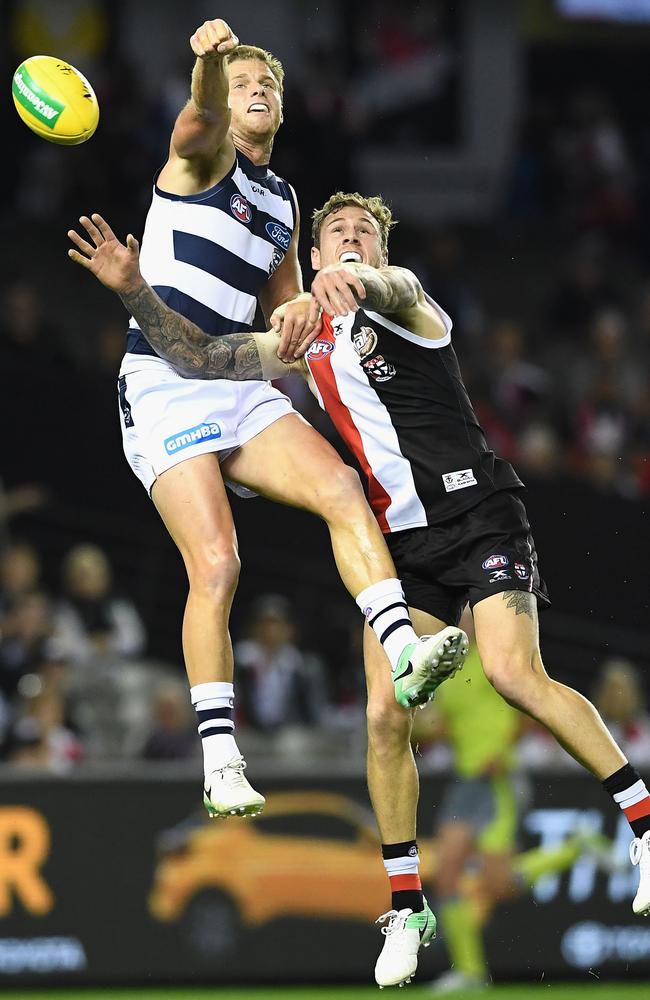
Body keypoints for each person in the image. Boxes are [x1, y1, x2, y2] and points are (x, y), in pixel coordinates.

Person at [65, 191, 650, 989]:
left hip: (477, 514)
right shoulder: (300, 339)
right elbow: (199, 359)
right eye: (334, 233)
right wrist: (133, 290)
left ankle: (642, 820)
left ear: (380, 250)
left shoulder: (409, 304)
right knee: (383, 714)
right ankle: (407, 908)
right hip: (397, 543)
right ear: (305, 258)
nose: (349, 240)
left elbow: (395, 288)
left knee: (515, 675)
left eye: (364, 234)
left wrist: (363, 279)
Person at [67, 21, 468, 822]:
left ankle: (403, 654)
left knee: (341, 488)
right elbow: (195, 122)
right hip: (164, 382)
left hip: (237, 378)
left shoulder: (282, 199)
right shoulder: (201, 152)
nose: (257, 90)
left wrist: (290, 316)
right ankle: (219, 758)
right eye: (245, 81)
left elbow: (281, 295)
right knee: (217, 564)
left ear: (283, 110)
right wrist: (210, 65)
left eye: (268, 84)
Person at [412, 610, 619, 994]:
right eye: (460, 617)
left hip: (498, 779)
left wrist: (502, 750)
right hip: (466, 780)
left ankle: (575, 847)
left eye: (470, 615)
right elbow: (443, 726)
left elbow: (530, 710)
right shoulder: (444, 667)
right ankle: (470, 972)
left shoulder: (496, 657)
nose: (465, 623)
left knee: (499, 883)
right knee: (448, 873)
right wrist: (424, 729)